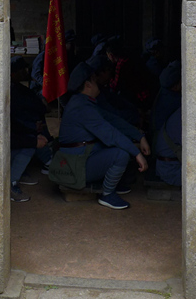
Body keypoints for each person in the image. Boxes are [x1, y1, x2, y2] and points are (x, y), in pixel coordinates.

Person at [51, 61, 148, 210]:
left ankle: (113, 183)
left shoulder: (83, 102)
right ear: (88, 85)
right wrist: (137, 153)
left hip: (81, 156)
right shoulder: (82, 107)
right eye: (95, 81)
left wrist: (139, 136)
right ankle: (107, 194)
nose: (99, 85)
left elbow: (113, 120)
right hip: (75, 166)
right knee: (120, 154)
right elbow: (110, 133)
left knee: (121, 144)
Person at [10, 57, 52, 202]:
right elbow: (12, 131)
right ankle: (11, 183)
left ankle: (20, 171)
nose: (26, 72)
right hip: (7, 141)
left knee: (35, 137)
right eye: (22, 70)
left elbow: (36, 105)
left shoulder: (19, 88)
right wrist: (32, 135)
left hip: (22, 129)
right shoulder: (10, 92)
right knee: (30, 144)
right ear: (13, 73)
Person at [152, 60, 182, 186]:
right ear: (175, 86)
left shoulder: (165, 97)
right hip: (171, 169)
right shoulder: (176, 105)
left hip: (167, 163)